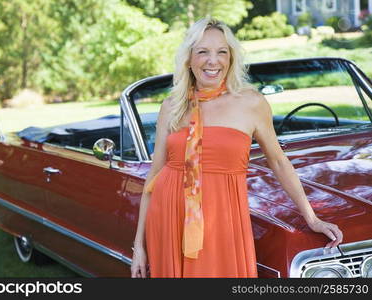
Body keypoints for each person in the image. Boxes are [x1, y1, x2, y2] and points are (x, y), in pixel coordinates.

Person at [130, 17, 343, 278]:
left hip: (224, 220)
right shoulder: (172, 106)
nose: (213, 60)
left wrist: (312, 218)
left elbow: (278, 162)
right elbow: (154, 176)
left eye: (222, 52)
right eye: (203, 52)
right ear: (189, 58)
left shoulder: (251, 102)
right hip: (169, 217)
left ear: (231, 58)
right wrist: (139, 246)